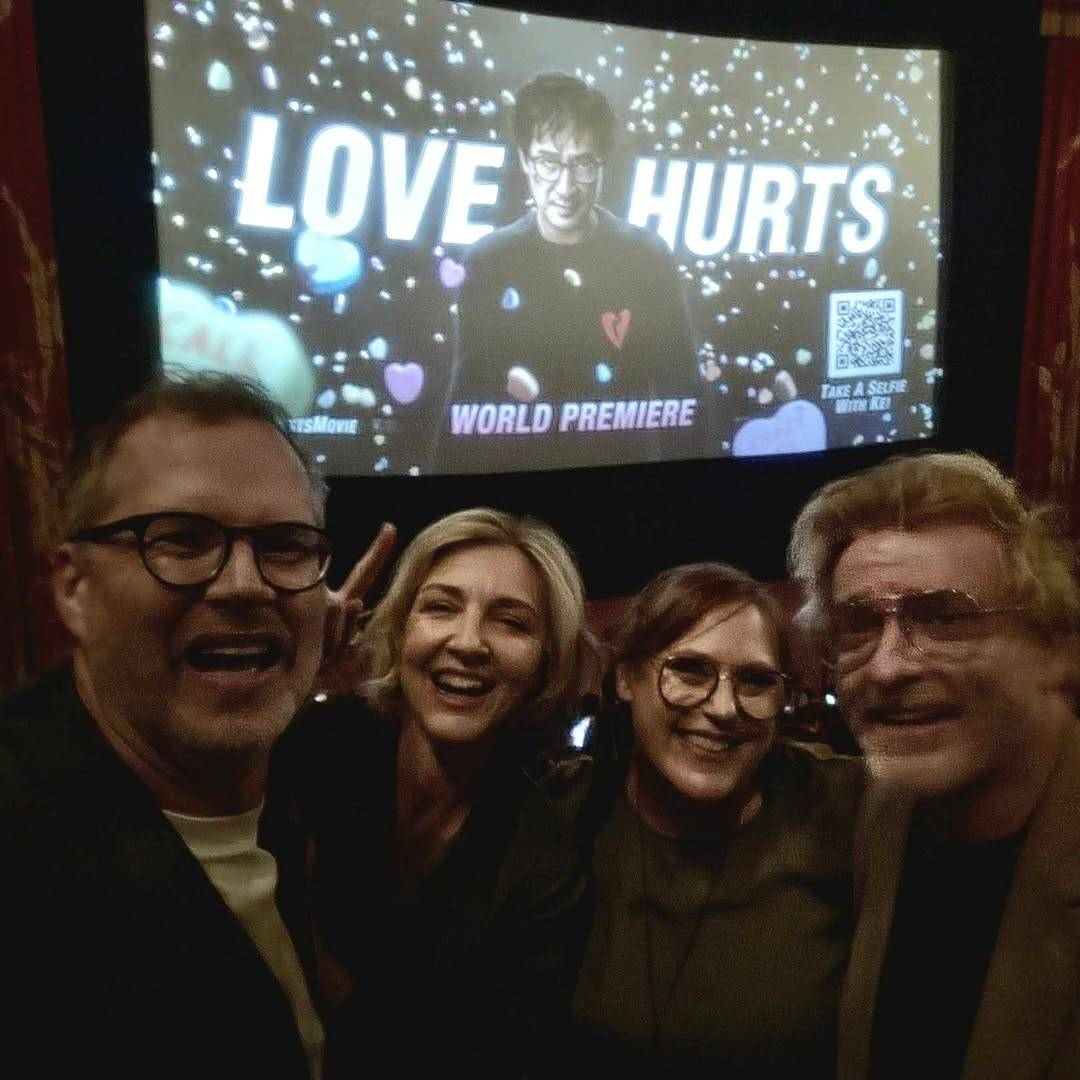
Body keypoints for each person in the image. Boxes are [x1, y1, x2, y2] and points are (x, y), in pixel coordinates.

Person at [0, 371, 392, 1080]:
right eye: (179, 540)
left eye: (285, 545)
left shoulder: (310, 775)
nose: (245, 583)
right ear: (73, 589)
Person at [789, 451, 1080, 1079]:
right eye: (860, 625)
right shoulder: (877, 816)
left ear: (1057, 651)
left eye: (945, 618)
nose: (889, 667)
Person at [278, 508, 595, 1077]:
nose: (469, 642)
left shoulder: (545, 865)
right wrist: (285, 673)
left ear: (546, 663)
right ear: (401, 633)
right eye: (441, 607)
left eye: (511, 622)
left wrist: (318, 961)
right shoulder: (311, 747)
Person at [567, 563, 863, 1077]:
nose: (724, 708)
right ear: (625, 678)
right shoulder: (565, 812)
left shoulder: (844, 807)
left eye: (755, 680)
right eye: (689, 670)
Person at [438, 72, 711, 472]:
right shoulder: (489, 259)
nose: (565, 186)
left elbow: (685, 391)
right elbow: (467, 399)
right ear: (525, 162)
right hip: (514, 487)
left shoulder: (648, 255)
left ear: (602, 166)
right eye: (549, 163)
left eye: (583, 164)